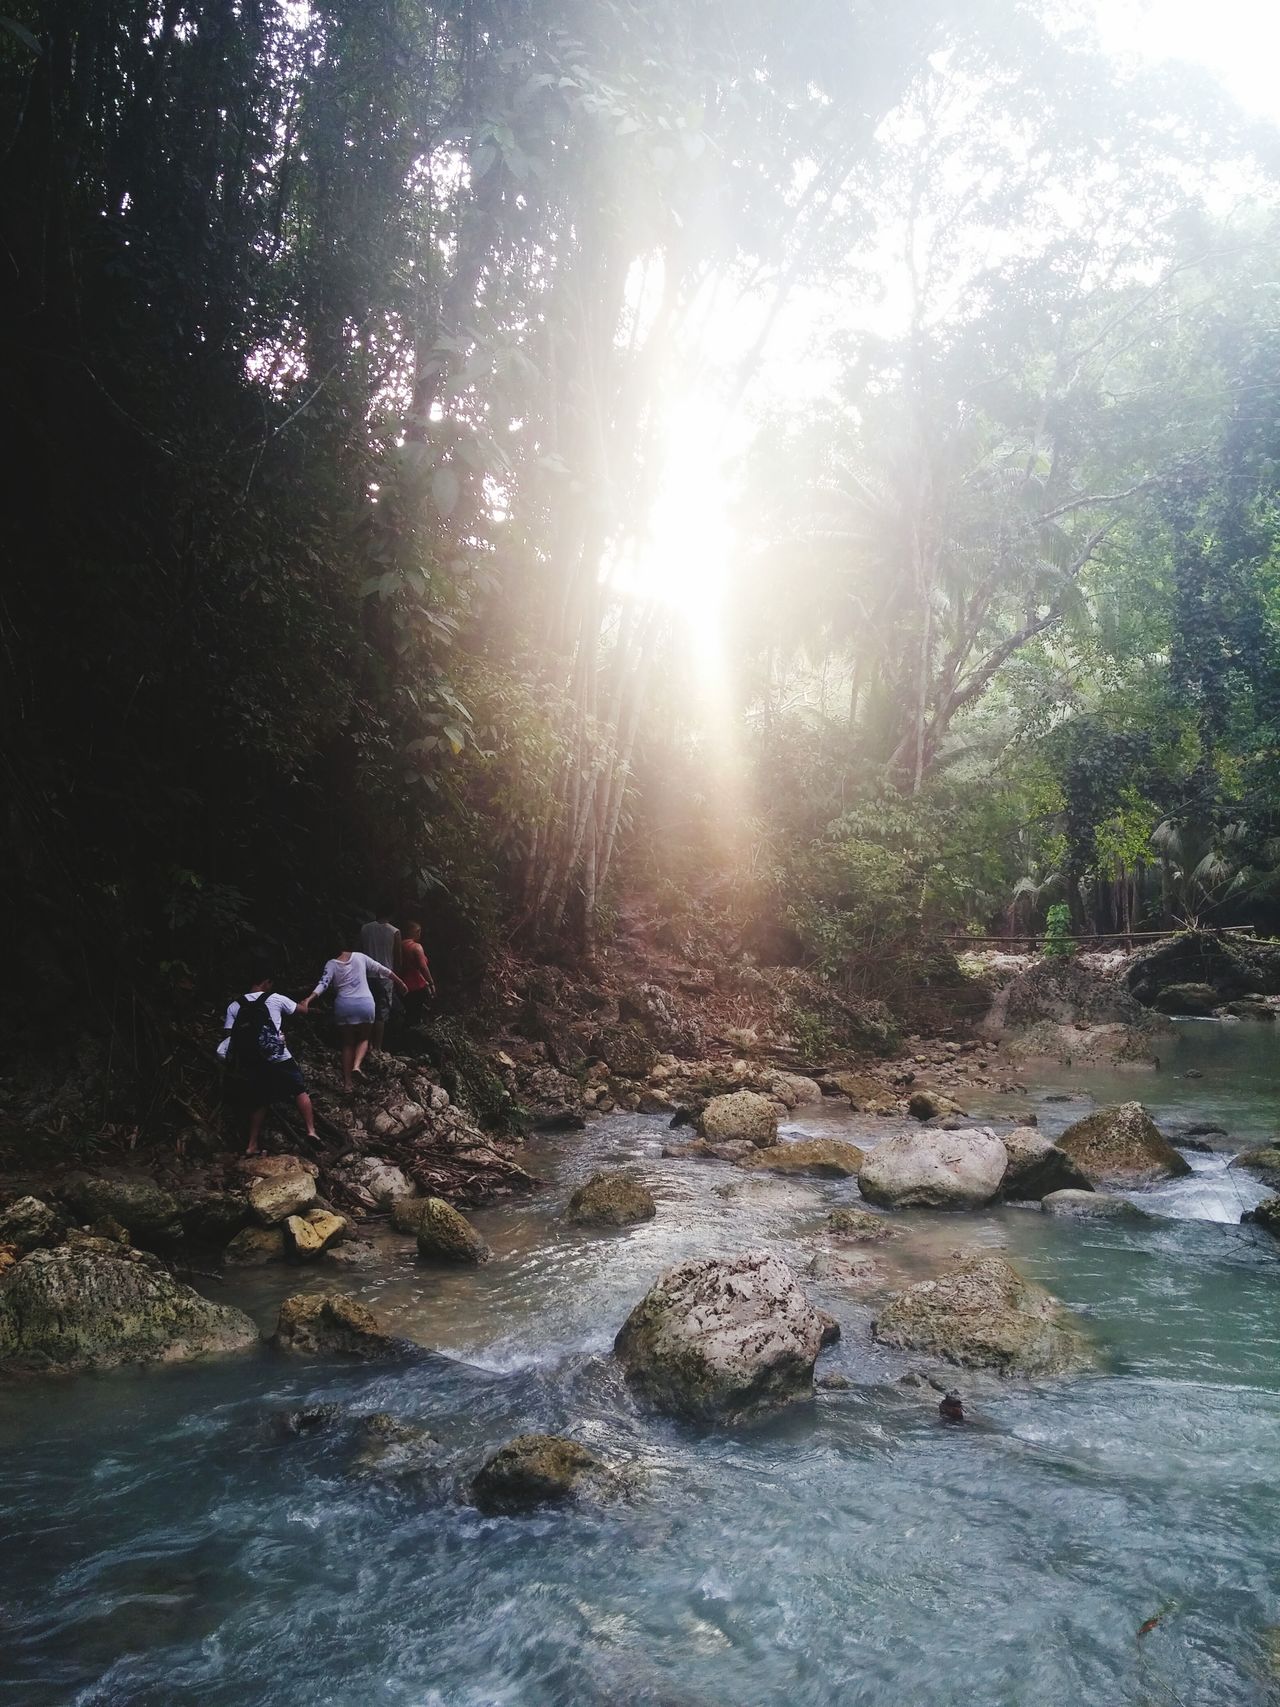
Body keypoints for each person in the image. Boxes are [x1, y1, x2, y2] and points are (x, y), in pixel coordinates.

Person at [218, 968, 317, 1154]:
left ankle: (251, 1144)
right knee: (299, 1090)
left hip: (252, 1060)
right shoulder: (275, 999)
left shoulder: (234, 1006)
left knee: (260, 1101)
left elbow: (229, 1036)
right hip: (278, 1055)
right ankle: (311, 1131)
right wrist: (306, 1002)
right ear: (267, 982)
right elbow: (302, 1011)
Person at [300, 943, 406, 1090]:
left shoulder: (331, 964)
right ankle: (356, 1066)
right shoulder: (360, 957)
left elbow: (323, 984)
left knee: (348, 1043)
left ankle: (348, 1083)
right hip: (365, 1004)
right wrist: (400, 982)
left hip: (344, 1006)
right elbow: (382, 969)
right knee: (364, 1038)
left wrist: (308, 999)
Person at [359, 904, 402, 1051]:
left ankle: (365, 1045)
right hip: (385, 977)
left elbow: (357, 950)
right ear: (391, 914)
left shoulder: (365, 928)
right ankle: (377, 1048)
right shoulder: (394, 932)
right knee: (381, 1013)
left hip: (366, 975)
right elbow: (398, 958)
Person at [398, 920, 436, 1029]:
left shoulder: (399, 944)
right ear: (415, 932)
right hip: (416, 984)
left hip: (401, 982)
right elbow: (423, 966)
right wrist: (431, 983)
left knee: (407, 1011)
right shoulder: (416, 947)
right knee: (415, 1012)